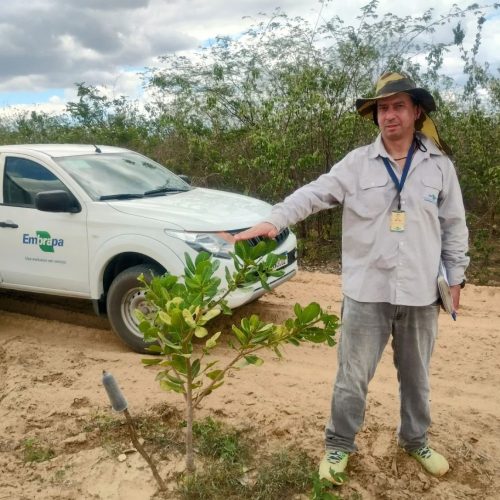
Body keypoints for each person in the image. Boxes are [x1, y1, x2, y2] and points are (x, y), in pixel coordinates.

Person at [234, 72, 469, 483]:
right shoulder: (356, 164)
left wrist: (456, 277)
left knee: (417, 379)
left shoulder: (440, 166)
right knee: (351, 380)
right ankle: (339, 445)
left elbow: (454, 225)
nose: (389, 115)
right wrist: (274, 220)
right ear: (375, 115)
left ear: (416, 111)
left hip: (419, 293)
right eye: (382, 107)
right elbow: (312, 194)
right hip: (366, 292)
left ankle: (415, 440)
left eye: (398, 106)